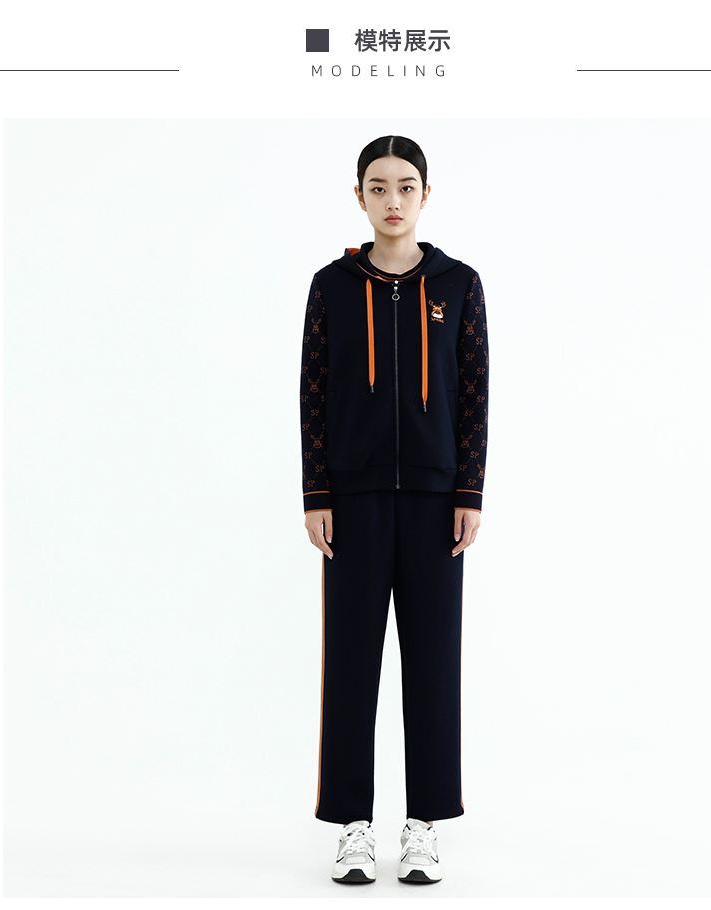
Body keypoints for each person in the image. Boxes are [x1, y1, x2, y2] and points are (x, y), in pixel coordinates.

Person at [299, 135, 489, 884]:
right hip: (352, 500)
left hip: (439, 504)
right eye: (377, 187)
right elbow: (313, 390)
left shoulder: (459, 284)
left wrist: (469, 491)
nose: (392, 200)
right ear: (359, 197)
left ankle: (423, 826)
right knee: (351, 663)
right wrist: (317, 493)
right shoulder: (332, 286)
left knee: (433, 665)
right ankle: (352, 826)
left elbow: (474, 391)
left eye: (406, 186)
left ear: (426, 194)